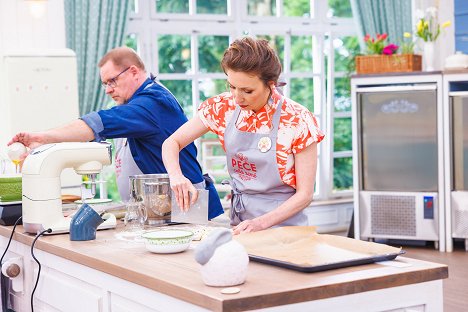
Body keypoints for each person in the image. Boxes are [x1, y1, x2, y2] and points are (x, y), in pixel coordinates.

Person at [8, 46, 224, 220]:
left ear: (133, 71)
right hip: (160, 209)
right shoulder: (133, 104)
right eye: (105, 84)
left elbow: (99, 122)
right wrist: (44, 151)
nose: (108, 89)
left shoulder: (150, 104)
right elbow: (93, 139)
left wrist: (42, 137)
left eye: (112, 81)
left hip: (188, 209)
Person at [162, 37, 324, 234]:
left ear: (271, 85)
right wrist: (176, 176)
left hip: (286, 231)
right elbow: (172, 142)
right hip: (240, 226)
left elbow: (305, 195)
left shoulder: (298, 120)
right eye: (231, 87)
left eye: (247, 90)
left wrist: (260, 223)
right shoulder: (222, 108)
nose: (237, 98)